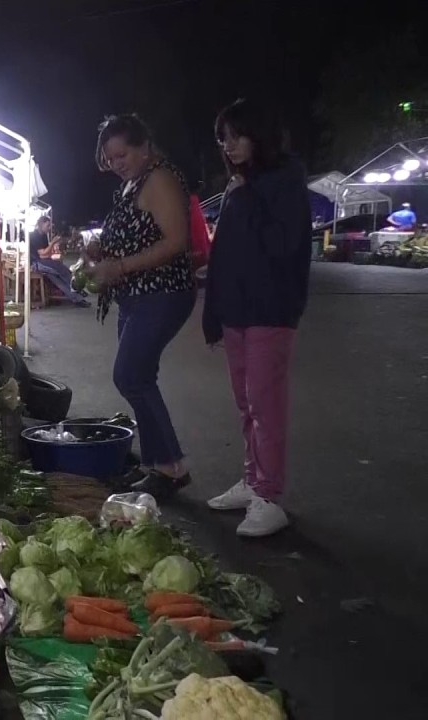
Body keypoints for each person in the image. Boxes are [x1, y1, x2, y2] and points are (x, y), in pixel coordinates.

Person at [202, 98, 312, 537]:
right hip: (236, 311)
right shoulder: (239, 185)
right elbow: (223, 255)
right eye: (223, 139)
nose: (228, 146)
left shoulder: (283, 180)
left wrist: (245, 195)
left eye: (236, 136)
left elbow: (283, 244)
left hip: (271, 309)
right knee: (246, 403)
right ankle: (252, 481)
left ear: (259, 135)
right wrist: (213, 314)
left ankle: (270, 495)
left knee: (266, 405)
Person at [86, 115, 196, 499]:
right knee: (139, 376)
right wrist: (102, 252)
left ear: (145, 146)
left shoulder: (159, 178)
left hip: (163, 292)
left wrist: (119, 266)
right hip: (135, 296)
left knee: (130, 375)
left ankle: (170, 466)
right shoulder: (129, 185)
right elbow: (134, 234)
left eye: (123, 154)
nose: (117, 163)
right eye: (111, 157)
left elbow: (176, 241)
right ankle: (158, 465)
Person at [30, 216, 91, 307]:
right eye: (48, 225)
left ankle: (78, 300)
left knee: (57, 280)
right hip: (37, 263)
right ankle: (77, 288)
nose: (49, 228)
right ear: (41, 224)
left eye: (50, 225)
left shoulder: (44, 236)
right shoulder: (34, 236)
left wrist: (54, 247)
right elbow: (42, 253)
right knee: (62, 270)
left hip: (44, 261)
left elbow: (47, 252)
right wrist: (52, 243)